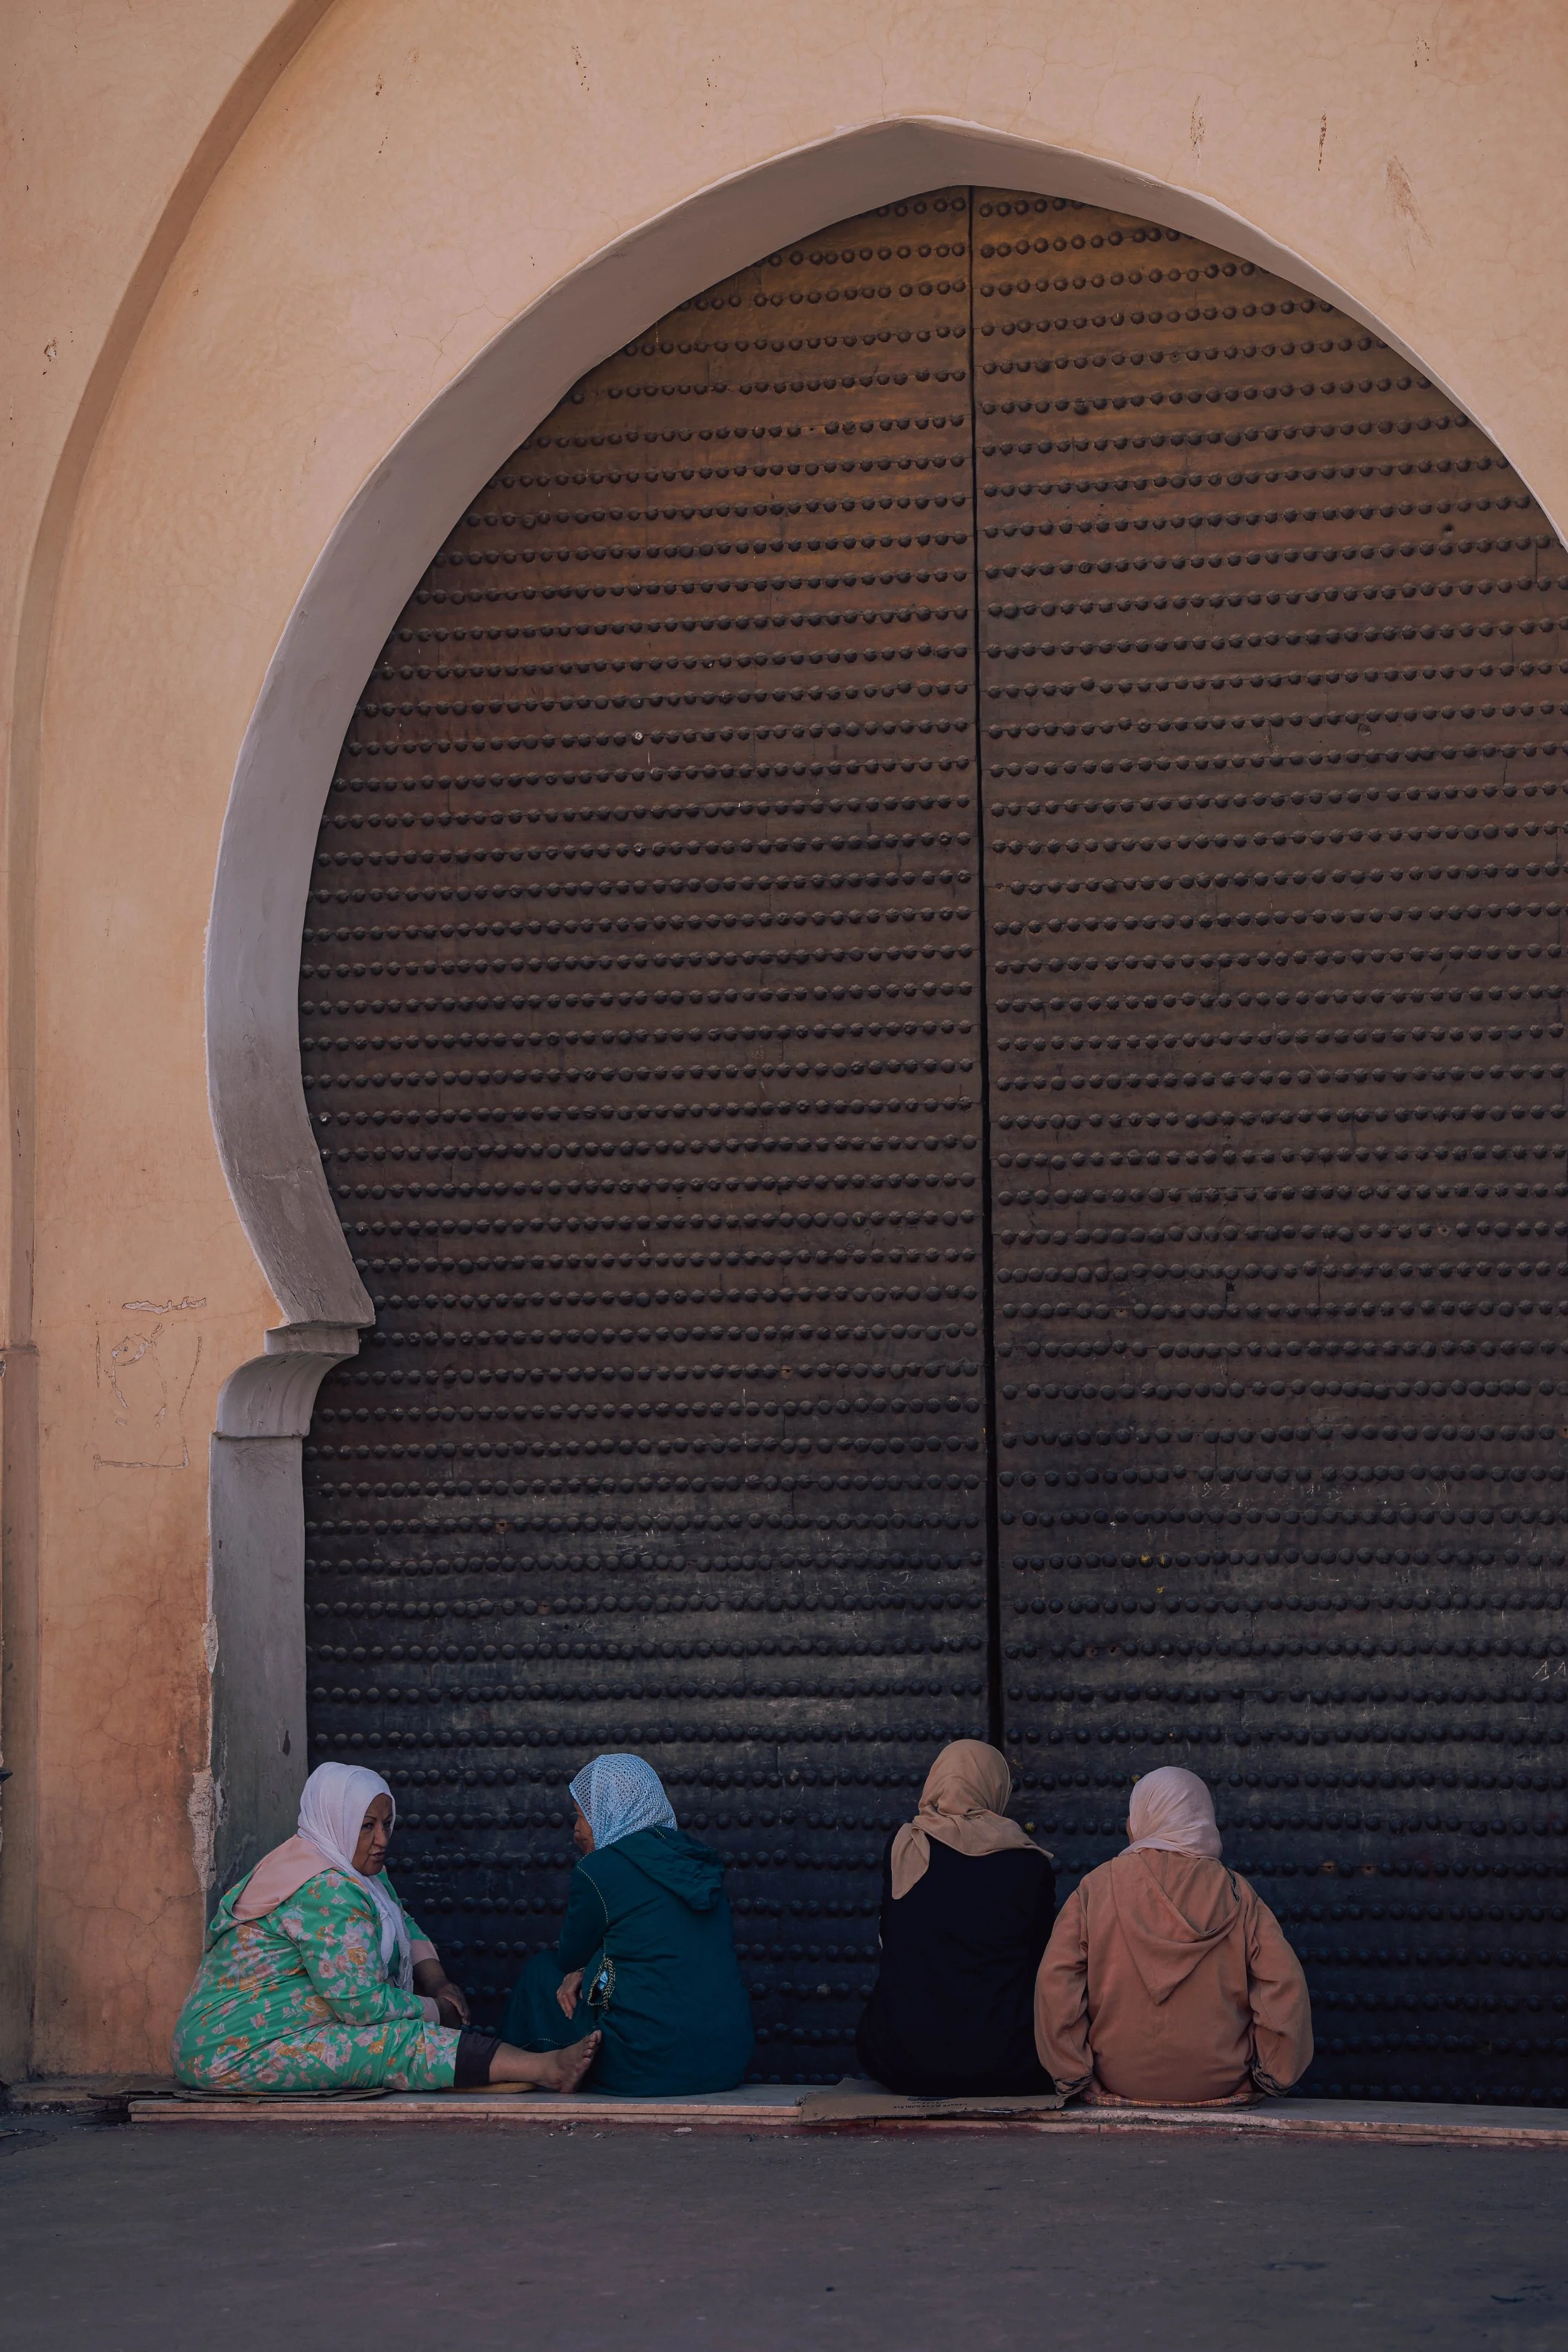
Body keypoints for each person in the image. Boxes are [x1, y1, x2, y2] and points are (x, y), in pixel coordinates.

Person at [172, 1761, 598, 2094]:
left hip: (269, 2031)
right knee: (392, 2045)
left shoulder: (341, 1866)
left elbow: (401, 1919)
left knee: (399, 2032)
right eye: (366, 1826)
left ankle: (519, 2065)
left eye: (386, 1824)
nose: (382, 1840)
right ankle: (547, 2068)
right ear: (335, 1821)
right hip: (232, 2051)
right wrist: (437, 2013)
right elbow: (362, 2008)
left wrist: (436, 1982)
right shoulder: (326, 1889)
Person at [1034, 1764, 1313, 2107]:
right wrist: (1270, 2073)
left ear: (1141, 1817)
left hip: (1118, 2079)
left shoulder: (1096, 1888)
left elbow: (1057, 1982)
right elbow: (1283, 1984)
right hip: (1221, 2082)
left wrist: (1074, 2073)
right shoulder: (1237, 1892)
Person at [502, 1753, 753, 2095]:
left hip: (645, 2067)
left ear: (610, 1812)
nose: (576, 1829)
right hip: (725, 2064)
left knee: (541, 1973)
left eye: (581, 1816)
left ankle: (519, 2070)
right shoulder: (698, 1862)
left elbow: (570, 1956)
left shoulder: (600, 1870)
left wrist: (583, 1969)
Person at [854, 1738, 1057, 2097]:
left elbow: (891, 1937)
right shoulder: (1031, 1865)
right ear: (997, 1788)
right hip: (1009, 2065)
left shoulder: (905, 1846)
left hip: (901, 2062)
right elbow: (1039, 1961)